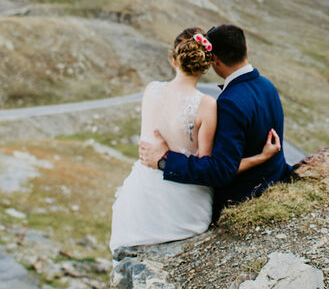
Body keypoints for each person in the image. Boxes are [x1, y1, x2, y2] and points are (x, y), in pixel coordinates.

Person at [109, 27, 279, 250]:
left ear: (174, 59)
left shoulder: (151, 90)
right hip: (183, 210)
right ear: (207, 64)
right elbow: (208, 168)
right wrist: (260, 157)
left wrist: (163, 159)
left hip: (137, 208)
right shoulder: (207, 105)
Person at [138, 24, 291, 223]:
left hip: (245, 195)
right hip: (275, 178)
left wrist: (163, 161)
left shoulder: (229, 103)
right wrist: (262, 157)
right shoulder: (267, 85)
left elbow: (219, 170)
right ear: (246, 49)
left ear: (215, 61)